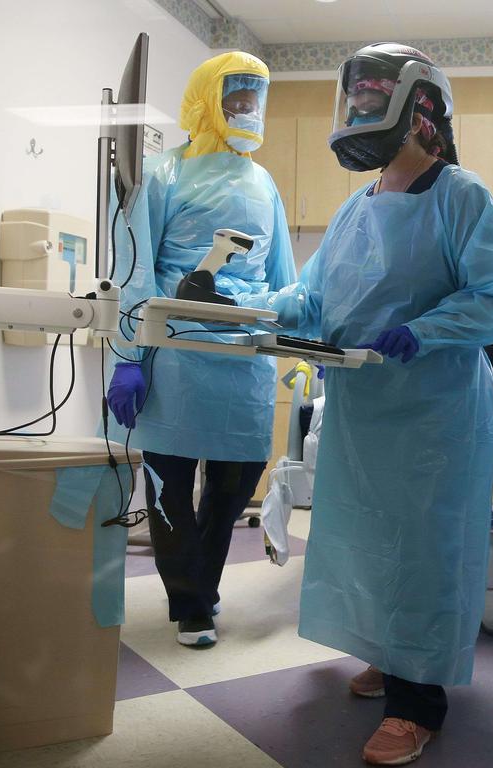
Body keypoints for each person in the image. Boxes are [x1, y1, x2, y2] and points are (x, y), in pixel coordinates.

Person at [258, 43, 493, 765]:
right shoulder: (355, 207)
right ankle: (388, 650)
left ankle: (419, 701)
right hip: (362, 410)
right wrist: (249, 310)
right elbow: (312, 299)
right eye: (359, 95)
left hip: (431, 410)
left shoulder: (460, 196)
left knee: (421, 551)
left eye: (378, 95)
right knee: (367, 540)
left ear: (421, 106)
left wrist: (424, 332)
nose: (363, 109)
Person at [105, 51, 296, 648]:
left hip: (245, 360)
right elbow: (133, 268)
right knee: (168, 481)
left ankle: (201, 586)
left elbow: (286, 277)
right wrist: (127, 357)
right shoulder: (163, 174)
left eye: (255, 99)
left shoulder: (264, 183)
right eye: (236, 97)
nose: (248, 110)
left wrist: (300, 338)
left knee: (236, 484)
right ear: (207, 101)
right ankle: (189, 603)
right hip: (178, 355)